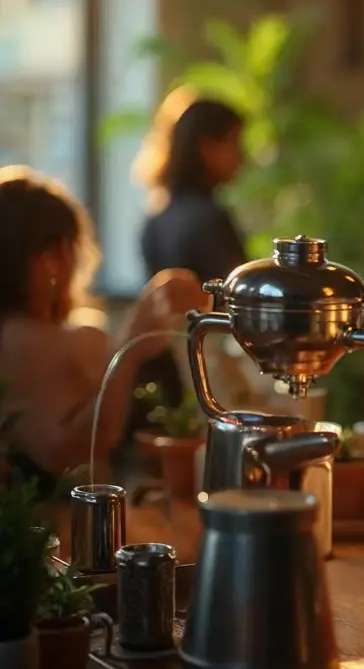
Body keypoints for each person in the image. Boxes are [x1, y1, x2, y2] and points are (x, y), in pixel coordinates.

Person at [0, 166, 206, 489]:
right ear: (47, 260)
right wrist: (132, 346)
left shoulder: (34, 334)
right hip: (56, 533)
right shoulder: (22, 337)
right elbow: (69, 449)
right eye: (70, 251)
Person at [132, 90, 248, 411]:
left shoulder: (157, 217)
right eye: (235, 144)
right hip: (210, 374)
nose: (243, 156)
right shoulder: (210, 219)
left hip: (169, 375)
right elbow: (240, 305)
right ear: (206, 147)